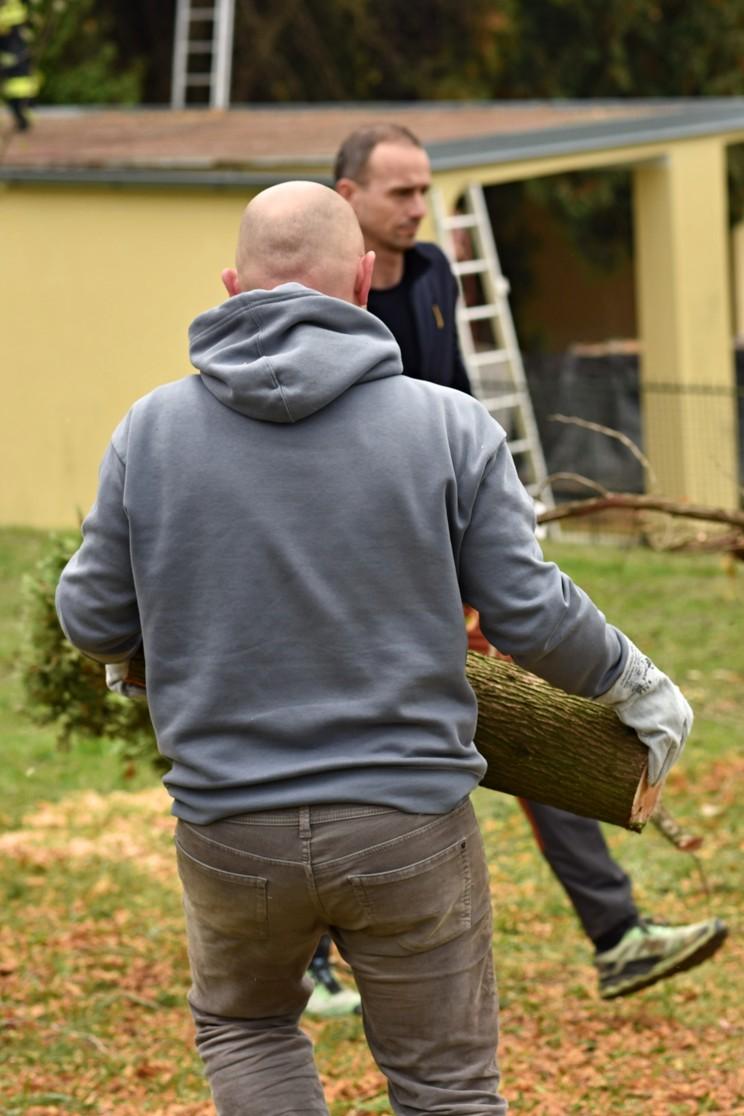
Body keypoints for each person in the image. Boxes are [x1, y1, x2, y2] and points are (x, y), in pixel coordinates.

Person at [55, 180, 691, 1115]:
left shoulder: (150, 431)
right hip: (407, 821)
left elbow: (90, 618)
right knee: (448, 1091)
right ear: (362, 280)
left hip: (231, 825)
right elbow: (529, 612)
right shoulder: (448, 425)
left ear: (233, 285)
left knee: (247, 1028)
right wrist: (638, 684)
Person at [334, 122, 728, 1001]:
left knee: (533, 718)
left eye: (425, 188)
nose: (418, 206)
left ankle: (617, 934)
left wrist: (495, 521)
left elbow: (461, 408)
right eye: (400, 191)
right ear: (346, 196)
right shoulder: (323, 299)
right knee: (348, 745)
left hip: (451, 562)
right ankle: (314, 959)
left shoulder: (433, 277)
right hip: (357, 576)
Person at [0, 0, 37, 132]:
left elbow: (16, 31)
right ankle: (21, 118)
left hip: (16, 56)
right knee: (13, 93)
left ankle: (23, 118)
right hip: (10, 56)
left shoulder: (13, 8)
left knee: (20, 90)